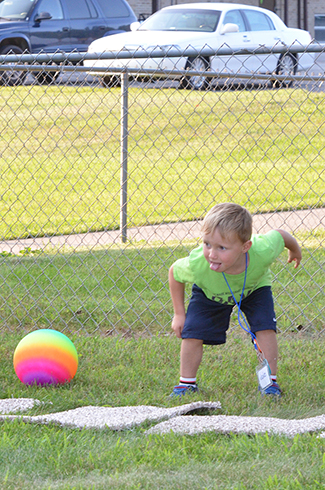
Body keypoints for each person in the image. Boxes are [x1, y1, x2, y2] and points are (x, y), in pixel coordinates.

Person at [169, 203, 302, 398]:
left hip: (254, 288)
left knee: (264, 327)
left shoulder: (262, 250)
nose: (212, 254)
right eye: (207, 244)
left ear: (245, 247)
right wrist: (180, 314)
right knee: (192, 331)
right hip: (210, 292)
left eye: (222, 247)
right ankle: (186, 384)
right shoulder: (198, 263)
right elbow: (174, 273)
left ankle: (270, 383)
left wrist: (295, 250)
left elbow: (281, 235)